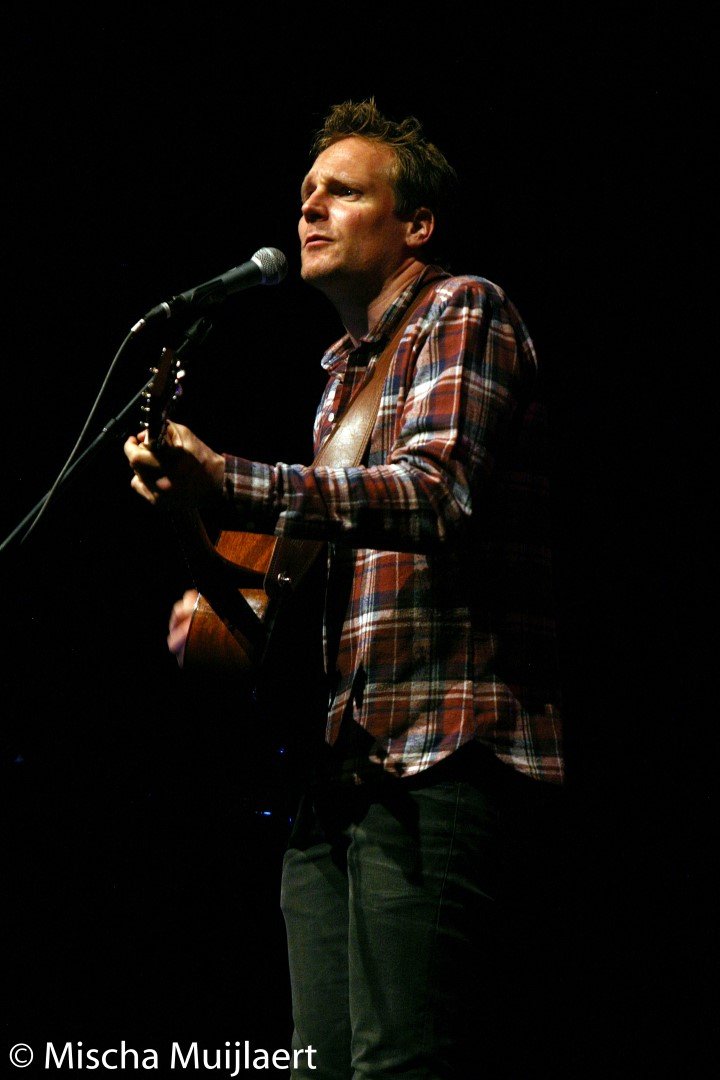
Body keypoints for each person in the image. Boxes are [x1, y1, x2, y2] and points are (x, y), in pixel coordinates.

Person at [125, 99, 565, 1079]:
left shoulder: (464, 309)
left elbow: (437, 495)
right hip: (344, 775)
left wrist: (228, 478)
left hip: (442, 752)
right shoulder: (340, 382)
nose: (311, 210)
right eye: (306, 194)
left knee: (399, 1062)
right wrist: (208, 560)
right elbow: (316, 588)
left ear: (416, 224)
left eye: (344, 192)